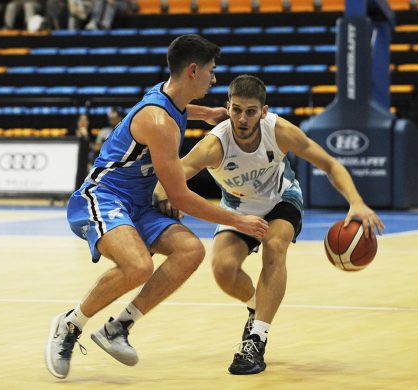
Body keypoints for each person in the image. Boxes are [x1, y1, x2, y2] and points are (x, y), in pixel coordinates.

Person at [44, 35, 269, 379]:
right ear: (193, 70)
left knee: (190, 250)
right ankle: (70, 325)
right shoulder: (160, 123)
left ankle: (118, 328)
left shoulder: (170, 99)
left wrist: (204, 112)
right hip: (104, 197)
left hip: (138, 202)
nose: (214, 78)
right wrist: (238, 221)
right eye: (210, 71)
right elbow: (178, 197)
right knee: (138, 265)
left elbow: (177, 109)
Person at [153, 74, 385, 375]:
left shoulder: (280, 132)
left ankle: (256, 340)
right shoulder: (214, 145)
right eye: (236, 109)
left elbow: (330, 164)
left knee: (275, 247)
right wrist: (163, 196)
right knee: (223, 270)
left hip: (282, 200)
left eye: (251, 111)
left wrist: (356, 201)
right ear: (228, 107)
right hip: (238, 209)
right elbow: (171, 175)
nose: (242, 118)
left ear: (263, 111)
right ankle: (256, 305)